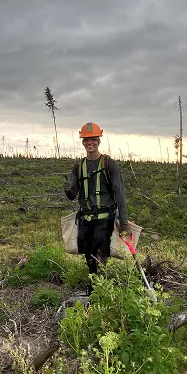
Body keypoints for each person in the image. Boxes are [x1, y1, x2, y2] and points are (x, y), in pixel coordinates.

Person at [64, 122, 129, 294]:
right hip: (85, 221)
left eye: (93, 139)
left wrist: (123, 222)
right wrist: (69, 191)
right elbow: (73, 193)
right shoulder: (79, 167)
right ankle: (94, 288)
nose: (89, 143)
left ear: (99, 140)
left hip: (104, 220)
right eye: (86, 140)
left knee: (101, 256)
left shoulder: (109, 164)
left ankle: (99, 291)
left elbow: (120, 194)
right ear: (82, 142)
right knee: (89, 257)